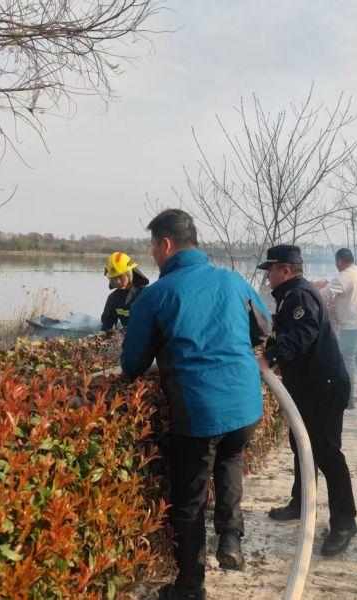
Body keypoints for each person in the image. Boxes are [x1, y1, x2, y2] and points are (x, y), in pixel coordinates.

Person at [121, 209, 271, 600]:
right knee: (230, 459)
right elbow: (263, 328)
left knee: (188, 500)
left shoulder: (156, 295)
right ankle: (231, 538)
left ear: (166, 244)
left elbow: (132, 364)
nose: (153, 254)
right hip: (246, 404)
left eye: (153, 246)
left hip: (200, 410)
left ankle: (190, 587)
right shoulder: (233, 280)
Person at [257, 244, 357, 556]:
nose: (268, 276)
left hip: (324, 388)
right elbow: (288, 332)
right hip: (308, 387)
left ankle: (345, 522)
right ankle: (301, 503)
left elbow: (303, 333)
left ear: (285, 271)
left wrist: (270, 357)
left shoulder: (299, 295)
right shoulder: (290, 294)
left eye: (271, 270)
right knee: (301, 444)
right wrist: (270, 348)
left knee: (327, 453)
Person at [316, 248, 357, 408]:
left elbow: (324, 294)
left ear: (339, 261)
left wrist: (309, 299)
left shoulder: (344, 277)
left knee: (346, 360)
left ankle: (348, 399)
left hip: (353, 326)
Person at [100, 251, 150, 333]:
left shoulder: (145, 293)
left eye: (121, 276)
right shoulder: (113, 298)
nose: (118, 281)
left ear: (129, 274)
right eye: (114, 278)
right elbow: (106, 325)